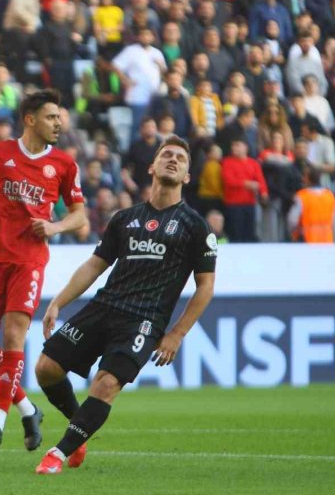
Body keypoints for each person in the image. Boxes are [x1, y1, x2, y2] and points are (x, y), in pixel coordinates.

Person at [33, 136, 217, 474]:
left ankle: (57, 454)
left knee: (105, 383)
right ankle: (80, 428)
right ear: (152, 166)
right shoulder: (124, 218)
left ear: (188, 176)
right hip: (104, 307)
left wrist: (176, 334)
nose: (173, 160)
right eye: (166, 155)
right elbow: (94, 265)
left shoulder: (197, 228)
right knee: (45, 368)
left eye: (180, 158)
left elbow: (205, 287)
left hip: (144, 320)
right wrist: (58, 301)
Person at [0, 89, 88, 450]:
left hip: (28, 261)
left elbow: (79, 215)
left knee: (14, 335)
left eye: (60, 117)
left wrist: (54, 227)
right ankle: (28, 408)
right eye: (51, 117)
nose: (59, 123)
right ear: (30, 119)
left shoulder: (64, 164)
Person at [287, 167, 335, 243]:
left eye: (304, 176)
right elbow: (334, 222)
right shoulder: (330, 196)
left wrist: (295, 233)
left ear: (308, 178)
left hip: (306, 241)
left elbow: (292, 221)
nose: (302, 178)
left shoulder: (301, 196)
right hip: (327, 241)